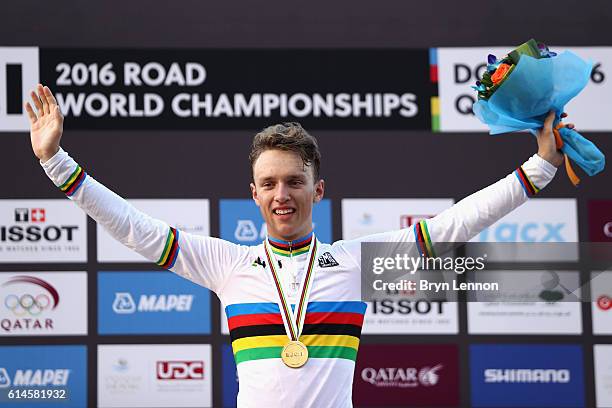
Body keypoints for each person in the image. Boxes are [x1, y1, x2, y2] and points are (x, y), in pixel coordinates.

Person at [27, 84, 568, 408]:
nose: (281, 195)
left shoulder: (355, 263)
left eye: (293, 181)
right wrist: (56, 162)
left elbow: (456, 224)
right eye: (268, 184)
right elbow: (134, 228)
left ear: (318, 189)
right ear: (253, 194)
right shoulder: (228, 265)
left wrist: (540, 167)